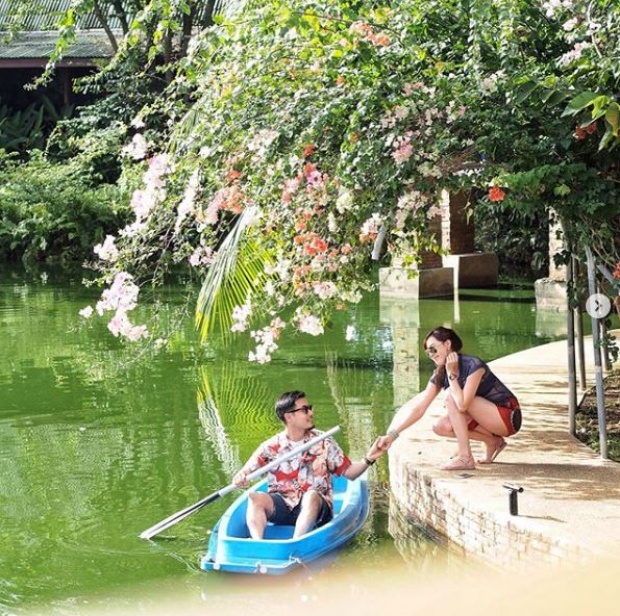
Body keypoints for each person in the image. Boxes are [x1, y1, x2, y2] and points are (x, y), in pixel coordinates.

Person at [232, 390, 383, 539]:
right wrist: (240, 477)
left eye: (310, 408)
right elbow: (246, 472)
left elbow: (350, 472)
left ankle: (296, 543)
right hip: (284, 506)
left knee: (311, 496)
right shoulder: (271, 447)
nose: (311, 413)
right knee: (255, 498)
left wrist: (369, 457)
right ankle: (258, 544)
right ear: (289, 417)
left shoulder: (323, 442)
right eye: (305, 410)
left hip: (317, 509)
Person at [377, 326, 522, 471]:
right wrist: (391, 435)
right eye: (428, 352)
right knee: (441, 426)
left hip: (507, 416)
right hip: (486, 419)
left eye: (433, 349)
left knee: (452, 398)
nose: (431, 355)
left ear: (447, 344)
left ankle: (465, 458)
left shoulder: (473, 365)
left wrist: (452, 375)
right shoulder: (440, 373)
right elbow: (419, 408)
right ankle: (493, 441)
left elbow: (463, 405)